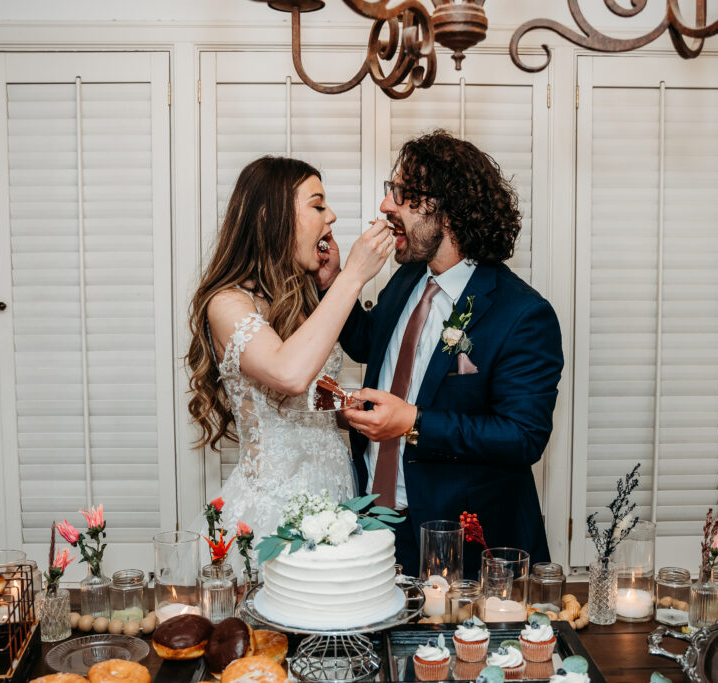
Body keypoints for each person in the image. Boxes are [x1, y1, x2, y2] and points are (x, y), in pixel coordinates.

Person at [323, 130, 564, 577]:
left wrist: (412, 422)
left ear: (446, 210)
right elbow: (370, 343)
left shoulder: (523, 314)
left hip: (457, 534)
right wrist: (334, 280)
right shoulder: (407, 276)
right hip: (374, 514)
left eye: (402, 194)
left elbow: (522, 435)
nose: (386, 206)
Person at [186, 156, 394, 571]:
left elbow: (308, 396)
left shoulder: (303, 296)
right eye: (318, 205)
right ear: (270, 217)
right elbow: (288, 374)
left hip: (335, 497)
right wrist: (353, 277)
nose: (331, 216)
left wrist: (344, 406)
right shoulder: (228, 303)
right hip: (273, 513)